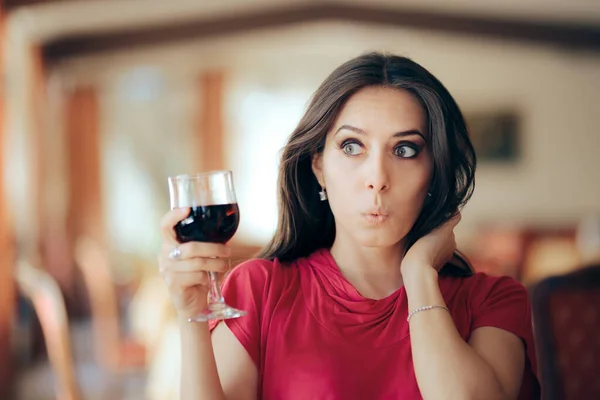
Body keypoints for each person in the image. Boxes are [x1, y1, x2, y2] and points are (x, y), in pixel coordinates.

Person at [158, 52, 540, 399]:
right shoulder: (261, 289)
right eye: (352, 146)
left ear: (434, 172)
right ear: (318, 166)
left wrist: (419, 274)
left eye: (404, 150)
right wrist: (191, 316)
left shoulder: (494, 301)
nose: (377, 178)